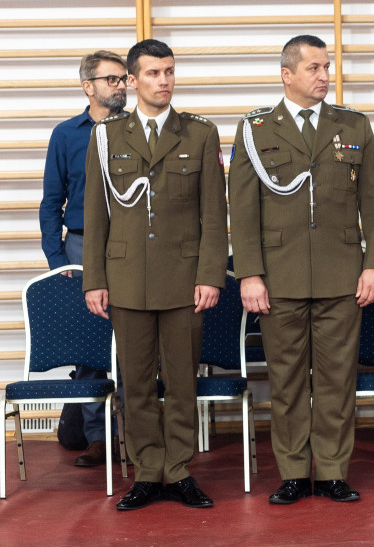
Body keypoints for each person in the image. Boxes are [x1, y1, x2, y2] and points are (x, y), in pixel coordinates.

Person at [229, 35, 374, 505]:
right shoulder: (256, 128)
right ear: (288, 75)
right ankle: (295, 472)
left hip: (343, 274)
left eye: (327, 67)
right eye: (314, 68)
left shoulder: (353, 125)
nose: (325, 76)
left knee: (338, 378)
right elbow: (241, 209)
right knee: (286, 380)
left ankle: (335, 470)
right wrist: (250, 274)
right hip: (278, 277)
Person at [83, 39, 228, 510]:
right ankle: (147, 471)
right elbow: (95, 213)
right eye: (152, 73)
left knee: (182, 379)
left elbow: (214, 213)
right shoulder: (106, 135)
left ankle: (180, 470)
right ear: (131, 80)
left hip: (185, 278)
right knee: (137, 382)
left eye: (169, 72)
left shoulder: (200, 134)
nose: (163, 81)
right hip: (126, 277)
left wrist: (211, 275)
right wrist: (94, 279)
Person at [40, 51, 127, 468]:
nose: (121, 86)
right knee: (90, 345)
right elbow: (51, 203)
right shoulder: (66, 135)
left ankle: (137, 434)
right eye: (111, 79)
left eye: (123, 78)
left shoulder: (137, 130)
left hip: (132, 248)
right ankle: (98, 437)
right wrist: (59, 262)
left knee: (137, 338)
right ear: (87, 86)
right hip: (79, 247)